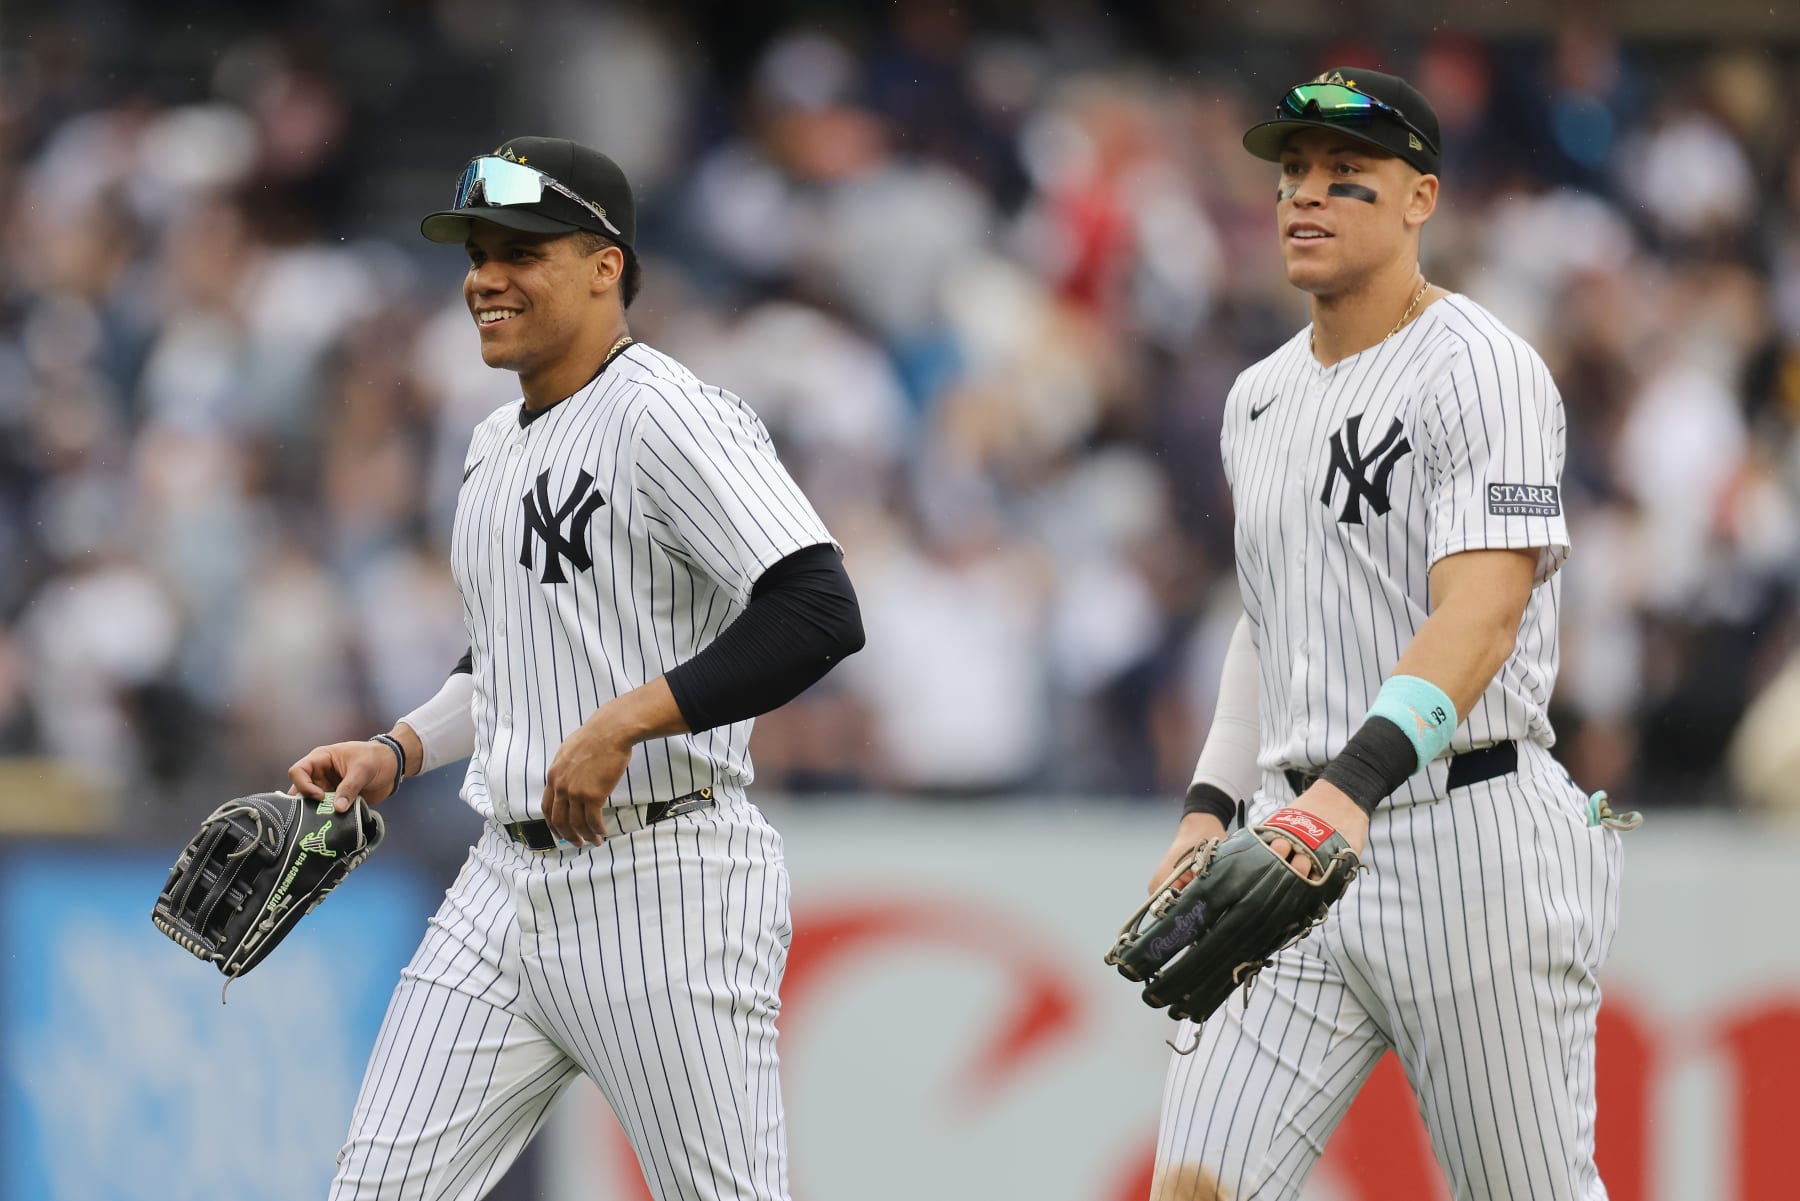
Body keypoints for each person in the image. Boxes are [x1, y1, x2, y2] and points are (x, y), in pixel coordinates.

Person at [286, 136, 863, 1201]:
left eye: (521, 251)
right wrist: (396, 747)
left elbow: (819, 608)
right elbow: (509, 655)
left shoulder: (668, 412)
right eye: (475, 254)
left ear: (606, 264)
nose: (484, 279)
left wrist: (624, 721)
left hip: (663, 877)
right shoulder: (492, 442)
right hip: (502, 885)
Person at [1141, 69, 1632, 1200]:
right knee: (1196, 1189)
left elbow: (1486, 610)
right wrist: (1211, 807)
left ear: (1422, 199)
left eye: (1345, 179)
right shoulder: (1255, 397)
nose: (1305, 199)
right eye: (1292, 176)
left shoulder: (1482, 365)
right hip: (1291, 840)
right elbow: (1270, 623)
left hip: (1463, 833)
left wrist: (1349, 790)